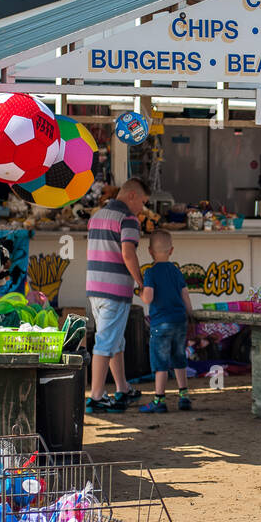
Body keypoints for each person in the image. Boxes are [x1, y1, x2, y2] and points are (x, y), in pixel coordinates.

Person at [85, 177, 150, 413]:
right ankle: (97, 396)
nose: (142, 208)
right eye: (142, 202)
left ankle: (122, 387)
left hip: (95, 288)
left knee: (114, 340)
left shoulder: (97, 216)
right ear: (132, 196)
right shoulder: (128, 219)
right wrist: (141, 283)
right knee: (105, 343)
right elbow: (128, 254)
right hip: (115, 291)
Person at [139, 230, 195, 413]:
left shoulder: (150, 272)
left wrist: (140, 293)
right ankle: (184, 396)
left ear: (150, 251)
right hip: (180, 321)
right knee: (179, 358)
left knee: (160, 362)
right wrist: (190, 314)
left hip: (160, 324)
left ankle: (159, 400)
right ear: (171, 250)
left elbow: (148, 298)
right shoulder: (176, 271)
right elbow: (185, 295)